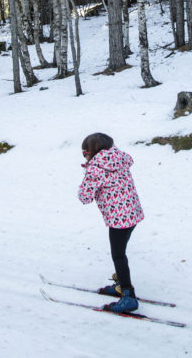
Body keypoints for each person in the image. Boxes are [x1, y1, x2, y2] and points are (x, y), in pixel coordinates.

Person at [77, 132, 144, 313]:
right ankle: (121, 284)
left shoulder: (96, 169)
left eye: (85, 153)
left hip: (118, 219)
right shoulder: (119, 158)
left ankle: (128, 295)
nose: (85, 157)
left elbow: (84, 197)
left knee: (118, 255)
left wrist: (89, 172)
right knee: (120, 253)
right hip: (133, 214)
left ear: (93, 152)